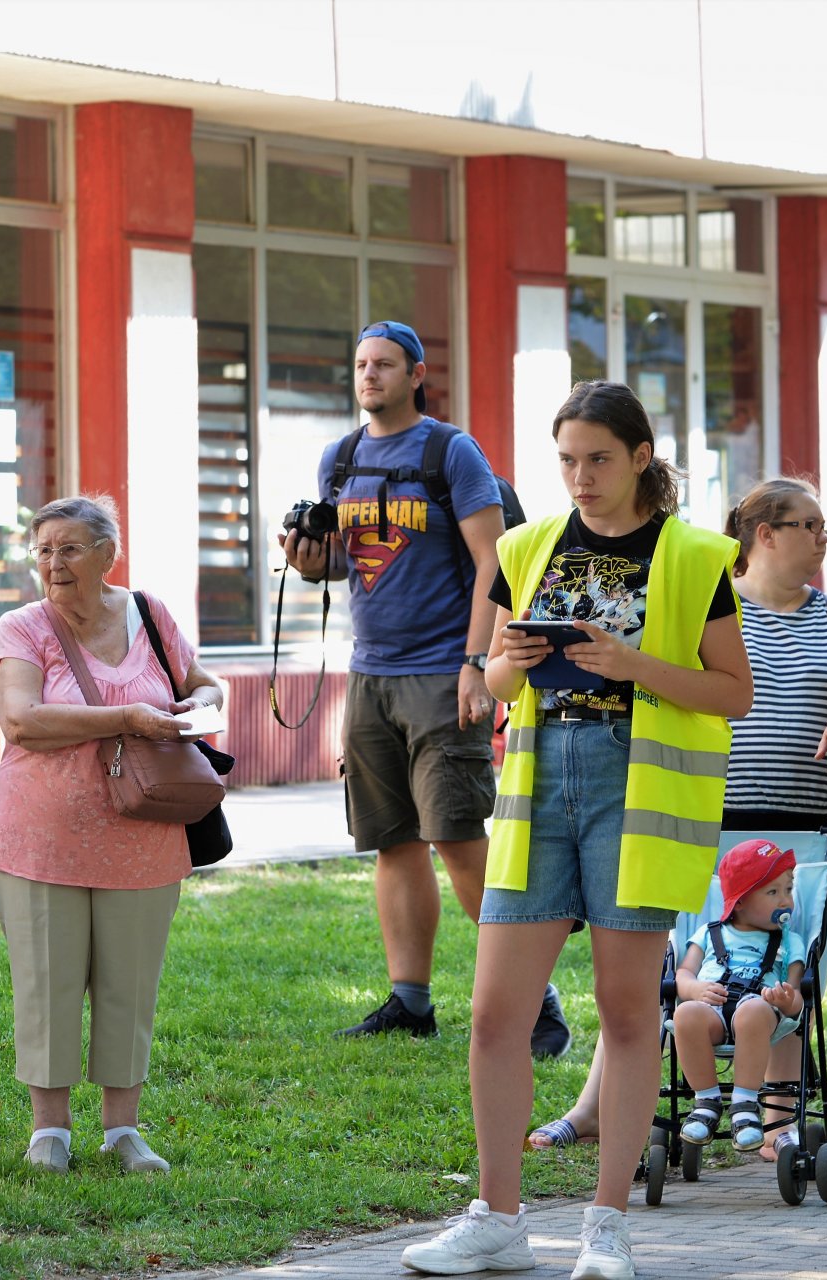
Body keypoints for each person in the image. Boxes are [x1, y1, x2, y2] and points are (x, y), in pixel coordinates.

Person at [400, 380, 752, 1280]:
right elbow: (500, 684)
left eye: (598, 459)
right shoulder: (524, 545)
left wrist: (634, 665)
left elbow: (733, 692)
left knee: (631, 1012)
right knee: (492, 1016)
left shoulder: (695, 553)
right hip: (538, 784)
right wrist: (506, 664)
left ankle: (607, 1228)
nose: (581, 477)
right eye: (566, 460)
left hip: (639, 792)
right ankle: (498, 1220)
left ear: (641, 457)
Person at [527, 475, 827, 1158]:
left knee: (785, 970)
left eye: (824, 528)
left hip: (800, 834)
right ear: (765, 535)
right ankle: (595, 1108)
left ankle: (777, 1125)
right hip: (704, 824)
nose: (822, 540)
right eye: (809, 526)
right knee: (656, 972)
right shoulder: (712, 611)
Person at [281, 319, 569, 1057]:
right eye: (359, 365)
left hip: (445, 672)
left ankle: (535, 1000)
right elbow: (363, 562)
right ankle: (410, 1001)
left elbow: (491, 564)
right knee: (392, 841)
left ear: (416, 374)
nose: (368, 376)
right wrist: (313, 562)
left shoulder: (450, 451)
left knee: (457, 837)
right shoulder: (338, 460)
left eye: (383, 365)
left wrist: (478, 664)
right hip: (369, 672)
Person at [0, 495, 223, 1173]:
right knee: (46, 982)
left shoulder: (150, 614)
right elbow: (22, 720)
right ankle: (49, 1132)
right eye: (44, 550)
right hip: (42, 834)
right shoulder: (23, 627)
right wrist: (127, 718)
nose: (54, 564)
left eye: (69, 548)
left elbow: (207, 685)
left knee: (130, 984)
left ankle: (123, 1131)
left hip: (145, 831)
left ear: (107, 554)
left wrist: (192, 710)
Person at [671, 838, 807, 1152]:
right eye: (773, 892)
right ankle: (706, 1101)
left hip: (759, 1011)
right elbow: (683, 975)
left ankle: (745, 1106)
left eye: (789, 889)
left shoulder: (791, 942)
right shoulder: (709, 932)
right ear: (740, 901)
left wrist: (785, 1000)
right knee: (685, 1013)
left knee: (753, 1011)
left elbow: (797, 995)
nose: (785, 900)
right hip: (712, 1010)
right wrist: (694, 990)